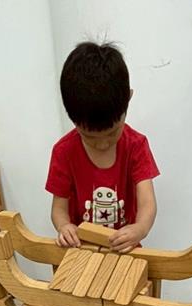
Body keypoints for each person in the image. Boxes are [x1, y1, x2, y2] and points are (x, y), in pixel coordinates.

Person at [46, 41, 159, 254]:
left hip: (124, 247)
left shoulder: (136, 145)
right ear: (71, 117)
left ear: (128, 100)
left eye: (112, 132)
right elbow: (58, 209)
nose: (102, 143)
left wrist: (140, 228)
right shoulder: (64, 151)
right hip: (81, 249)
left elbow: (147, 202)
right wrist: (64, 226)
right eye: (89, 136)